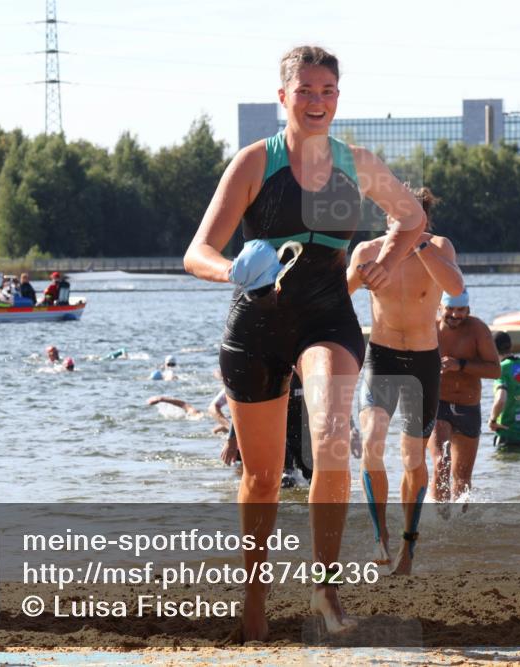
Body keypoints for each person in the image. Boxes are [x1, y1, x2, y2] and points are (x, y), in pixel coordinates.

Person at [183, 45, 425, 640]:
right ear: (283, 96)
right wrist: (234, 269)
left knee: (330, 436)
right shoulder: (252, 164)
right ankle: (255, 602)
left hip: (326, 318)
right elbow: (196, 252)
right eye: (306, 90)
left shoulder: (357, 163)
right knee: (262, 478)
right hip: (257, 323)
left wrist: (386, 262)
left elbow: (412, 217)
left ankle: (324, 587)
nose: (317, 102)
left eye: (328, 91)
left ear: (337, 98)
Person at [347, 186, 464, 574]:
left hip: (422, 362)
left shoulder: (439, 246)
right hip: (381, 357)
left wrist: (420, 246)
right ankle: (379, 535)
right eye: (397, 216)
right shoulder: (368, 251)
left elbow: (456, 287)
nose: (403, 223)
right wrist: (357, 274)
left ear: (424, 219)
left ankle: (407, 549)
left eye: (412, 217)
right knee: (372, 443)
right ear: (387, 218)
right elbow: (340, 292)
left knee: (413, 457)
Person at [426, 290, 500, 504]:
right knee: (441, 463)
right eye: (450, 309)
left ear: (468, 309)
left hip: (468, 406)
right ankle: (439, 520)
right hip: (438, 404)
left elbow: (495, 370)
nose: (456, 315)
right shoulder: (430, 329)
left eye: (461, 310)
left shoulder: (477, 329)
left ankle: (461, 529)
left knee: (463, 478)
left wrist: (461, 365)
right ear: (440, 307)